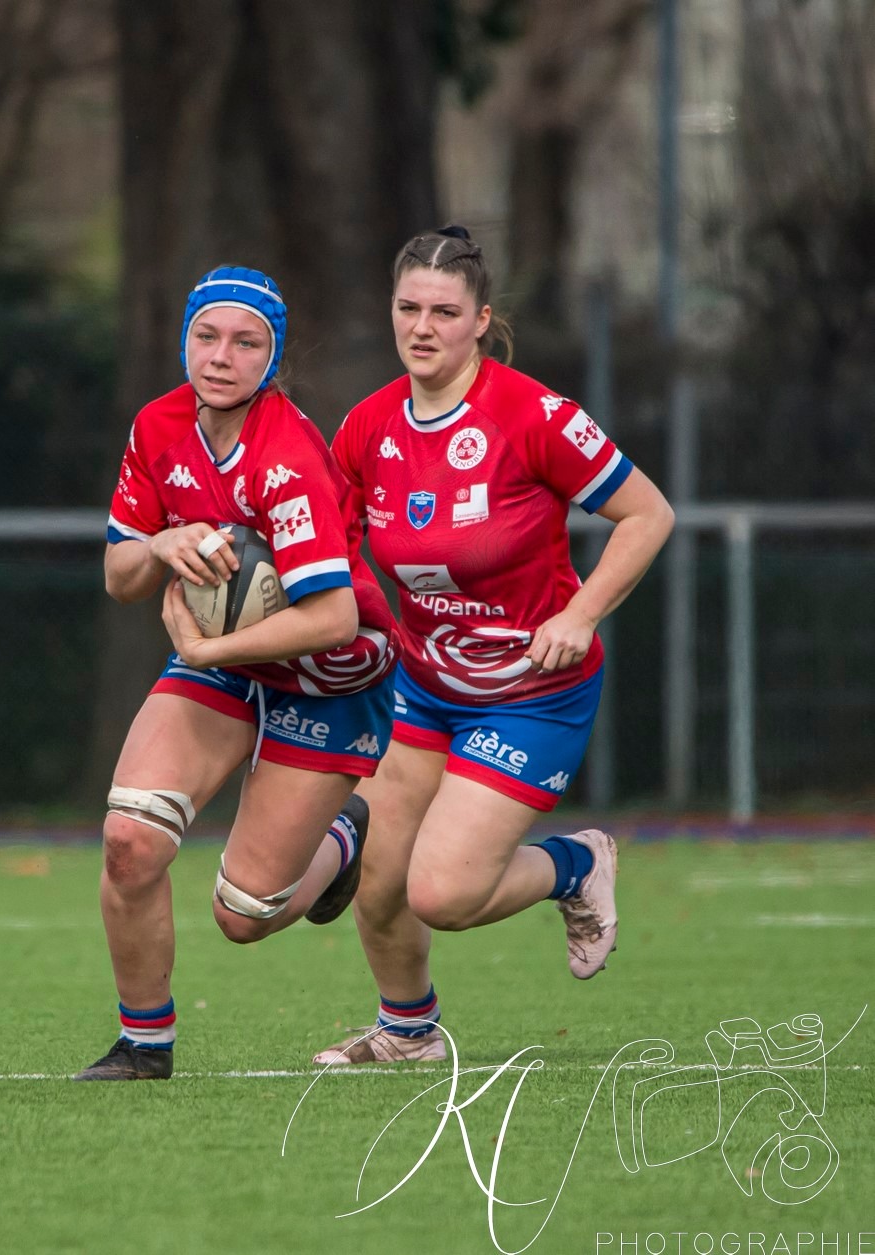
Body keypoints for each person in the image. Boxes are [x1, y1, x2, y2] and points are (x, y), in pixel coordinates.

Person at [315, 226, 675, 1065]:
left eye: (444, 312)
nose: (422, 327)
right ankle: (409, 1032)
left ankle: (575, 864)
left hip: (532, 694)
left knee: (441, 892)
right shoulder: (367, 427)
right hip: (424, 688)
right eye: (408, 307)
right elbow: (329, 549)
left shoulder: (532, 415)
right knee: (379, 879)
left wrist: (581, 613)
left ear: (481, 320)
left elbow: (648, 514)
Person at [76, 267, 399, 1081]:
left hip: (327, 674)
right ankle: (144, 1044)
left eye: (246, 342)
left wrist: (208, 650)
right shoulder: (157, 426)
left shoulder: (287, 455)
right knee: (129, 839)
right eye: (207, 336)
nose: (221, 356)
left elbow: (334, 617)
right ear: (184, 339)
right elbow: (119, 576)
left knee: (245, 914)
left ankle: (343, 835)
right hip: (226, 660)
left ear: (272, 357)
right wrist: (158, 543)